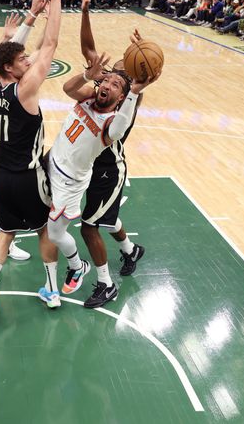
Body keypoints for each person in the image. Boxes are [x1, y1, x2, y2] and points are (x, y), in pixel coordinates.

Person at [0, 0, 62, 316]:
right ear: (12, 69)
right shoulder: (26, 89)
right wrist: (54, 1)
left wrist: (27, 20)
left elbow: (1, 57)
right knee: (44, 231)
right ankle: (52, 291)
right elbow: (51, 44)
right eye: (23, 59)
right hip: (28, 177)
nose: (28, 59)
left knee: (5, 233)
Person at [48, 35, 159, 298]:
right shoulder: (91, 96)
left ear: (124, 93)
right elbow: (86, 54)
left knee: (89, 226)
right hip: (88, 169)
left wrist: (140, 81)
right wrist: (85, 10)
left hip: (109, 171)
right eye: (109, 77)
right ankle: (131, 250)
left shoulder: (119, 116)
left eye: (120, 78)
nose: (110, 80)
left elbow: (124, 117)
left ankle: (106, 284)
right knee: (106, 220)